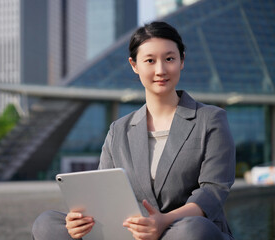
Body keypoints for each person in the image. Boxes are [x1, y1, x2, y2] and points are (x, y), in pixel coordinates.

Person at [32, 21, 235, 240]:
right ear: (134, 65)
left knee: (193, 231)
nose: (160, 70)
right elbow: (102, 191)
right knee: (47, 224)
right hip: (131, 232)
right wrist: (80, 220)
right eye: (150, 60)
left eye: (169, 59)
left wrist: (163, 221)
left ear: (181, 60)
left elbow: (213, 191)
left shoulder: (210, 119)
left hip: (179, 230)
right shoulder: (118, 130)